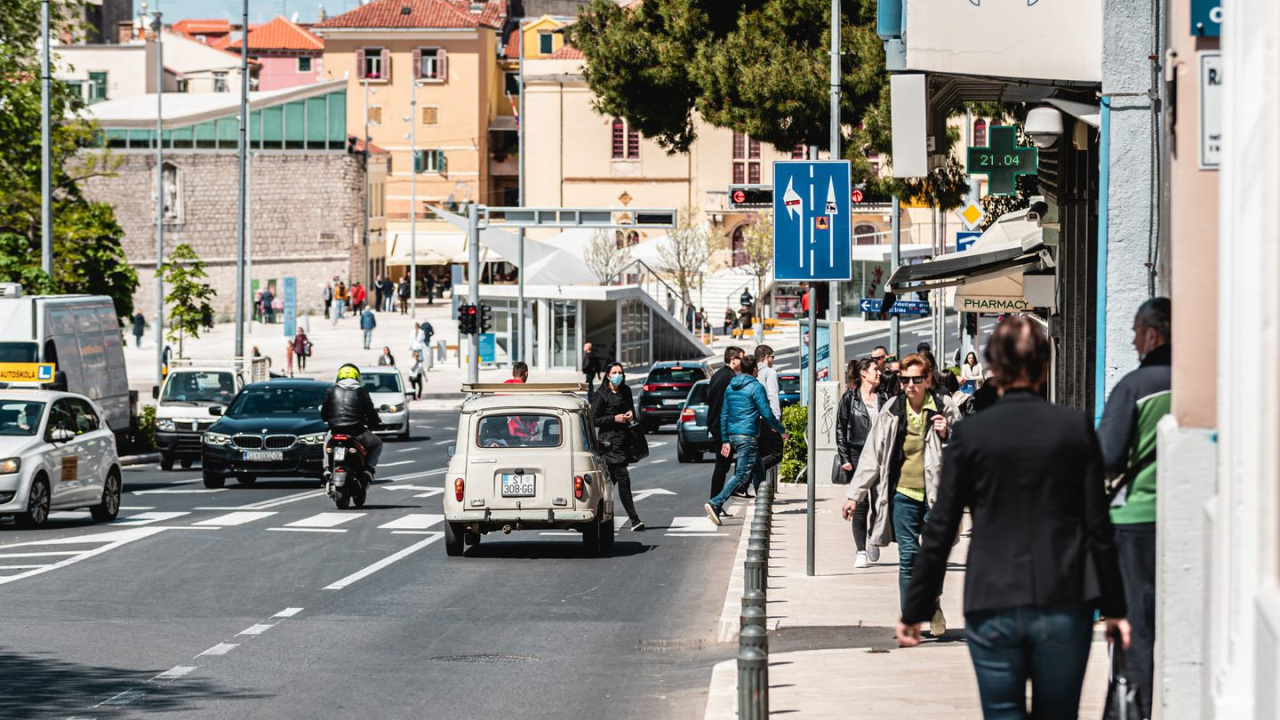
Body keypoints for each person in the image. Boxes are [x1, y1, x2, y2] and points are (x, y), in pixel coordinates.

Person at [896, 316, 1131, 720]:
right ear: (1044, 365)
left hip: (993, 599)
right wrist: (1116, 607)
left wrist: (915, 607)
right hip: (1063, 600)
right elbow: (1098, 525)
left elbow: (942, 527)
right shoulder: (1074, 429)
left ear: (995, 368)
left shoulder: (971, 435)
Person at [844, 352, 962, 636]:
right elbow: (872, 454)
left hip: (937, 496)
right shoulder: (892, 409)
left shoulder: (944, 406)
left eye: (916, 379)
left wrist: (948, 434)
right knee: (908, 557)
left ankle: (933, 603)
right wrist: (854, 494)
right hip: (902, 495)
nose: (910, 385)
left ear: (928, 379)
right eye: (904, 379)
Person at [1096, 297, 1171, 720]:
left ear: (1153, 335)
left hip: (1136, 519)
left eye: (1136, 332)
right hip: (1188, 521)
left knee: (1134, 627)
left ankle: (1133, 710)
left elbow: (1107, 457)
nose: (1133, 341)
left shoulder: (1134, 387)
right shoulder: (1203, 384)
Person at [704, 355, 787, 525]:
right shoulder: (756, 387)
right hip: (747, 436)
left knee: (758, 470)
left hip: (734, 435)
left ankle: (762, 506)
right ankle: (716, 503)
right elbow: (766, 413)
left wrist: (726, 439)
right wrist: (781, 430)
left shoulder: (730, 386)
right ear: (755, 370)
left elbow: (724, 414)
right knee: (742, 475)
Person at [836, 358, 884, 569]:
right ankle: (861, 551)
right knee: (860, 504)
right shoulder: (850, 398)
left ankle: (873, 534)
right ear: (863, 373)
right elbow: (840, 427)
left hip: (881, 456)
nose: (879, 373)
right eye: (875, 369)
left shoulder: (884, 397)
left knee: (880, 504)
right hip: (857, 456)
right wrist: (844, 458)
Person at [590, 363, 644, 531]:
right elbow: (594, 419)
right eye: (614, 372)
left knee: (609, 482)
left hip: (624, 441)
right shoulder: (601, 395)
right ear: (608, 375)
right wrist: (614, 418)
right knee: (623, 477)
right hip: (609, 444)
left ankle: (596, 515)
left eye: (620, 372)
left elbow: (631, 410)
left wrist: (630, 415)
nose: (618, 375)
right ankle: (634, 520)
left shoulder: (626, 391)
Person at [321, 365, 383, 476]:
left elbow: (324, 413)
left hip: (335, 431)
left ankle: (327, 468)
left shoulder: (331, 391)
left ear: (339, 376)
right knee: (377, 444)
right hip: (357, 432)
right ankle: (369, 469)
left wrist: (328, 419)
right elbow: (371, 412)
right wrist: (375, 422)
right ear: (356, 377)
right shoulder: (361, 392)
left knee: (326, 443)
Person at [706, 346, 745, 503]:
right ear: (733, 359)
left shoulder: (719, 375)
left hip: (719, 427)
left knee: (724, 466)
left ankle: (716, 502)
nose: (743, 362)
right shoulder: (728, 378)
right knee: (722, 467)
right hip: (722, 429)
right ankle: (714, 503)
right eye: (742, 359)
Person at [754, 345, 784, 477]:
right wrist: (776, 420)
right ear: (767, 357)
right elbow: (773, 395)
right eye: (772, 357)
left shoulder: (753, 372)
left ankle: (758, 485)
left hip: (754, 419)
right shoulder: (770, 372)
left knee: (761, 453)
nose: (773, 360)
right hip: (767, 419)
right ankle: (752, 471)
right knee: (776, 453)